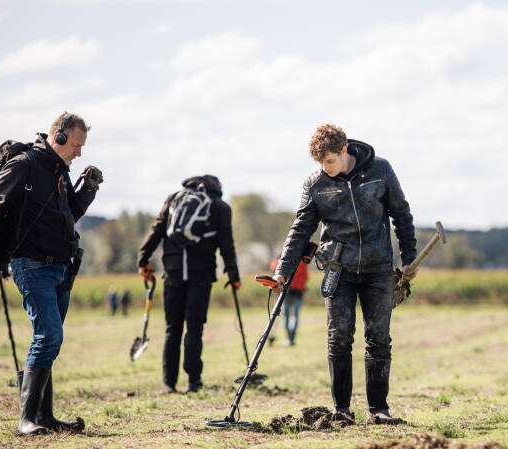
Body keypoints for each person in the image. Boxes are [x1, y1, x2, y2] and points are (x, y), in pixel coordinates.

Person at [0, 112, 103, 435]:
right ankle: (26, 419)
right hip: (31, 264)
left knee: (49, 340)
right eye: (76, 145)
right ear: (59, 137)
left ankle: (45, 417)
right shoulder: (24, 165)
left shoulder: (59, 172)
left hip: (62, 265)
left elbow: (69, 215)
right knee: (49, 335)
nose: (79, 153)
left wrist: (87, 190)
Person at [272, 124, 417, 424]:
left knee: (378, 339)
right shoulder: (315, 183)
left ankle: (379, 409)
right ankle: (342, 410)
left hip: (378, 268)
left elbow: (401, 214)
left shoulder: (380, 170)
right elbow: (301, 229)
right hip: (338, 269)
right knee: (338, 338)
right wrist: (283, 271)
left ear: (344, 151)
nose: (325, 168)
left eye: (329, 161)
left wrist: (410, 256)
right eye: (320, 163)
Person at [137, 175, 239, 394]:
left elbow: (156, 230)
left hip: (172, 272)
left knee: (172, 329)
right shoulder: (220, 207)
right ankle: (194, 382)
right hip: (200, 274)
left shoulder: (174, 198)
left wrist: (143, 259)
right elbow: (226, 243)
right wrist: (233, 275)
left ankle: (168, 384)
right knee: (194, 328)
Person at [270, 256, 308, 346]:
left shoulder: (277, 263)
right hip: (298, 292)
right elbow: (306, 277)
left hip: (284, 292)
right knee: (295, 315)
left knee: (285, 315)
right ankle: (291, 338)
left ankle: (288, 337)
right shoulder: (302, 263)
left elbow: (274, 278)